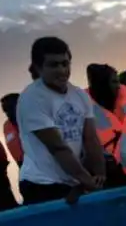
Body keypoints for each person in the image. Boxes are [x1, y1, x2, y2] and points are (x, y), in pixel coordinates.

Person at [16, 37, 106, 204]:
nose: (61, 70)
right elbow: (57, 148)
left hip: (72, 180)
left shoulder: (79, 95)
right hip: (41, 183)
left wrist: (100, 174)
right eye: (53, 65)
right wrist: (88, 182)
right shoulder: (32, 99)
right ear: (38, 67)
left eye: (65, 64)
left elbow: (91, 139)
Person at [1, 93, 23, 166]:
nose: (7, 112)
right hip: (23, 165)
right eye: (5, 109)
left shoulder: (34, 118)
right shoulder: (6, 126)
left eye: (10, 107)